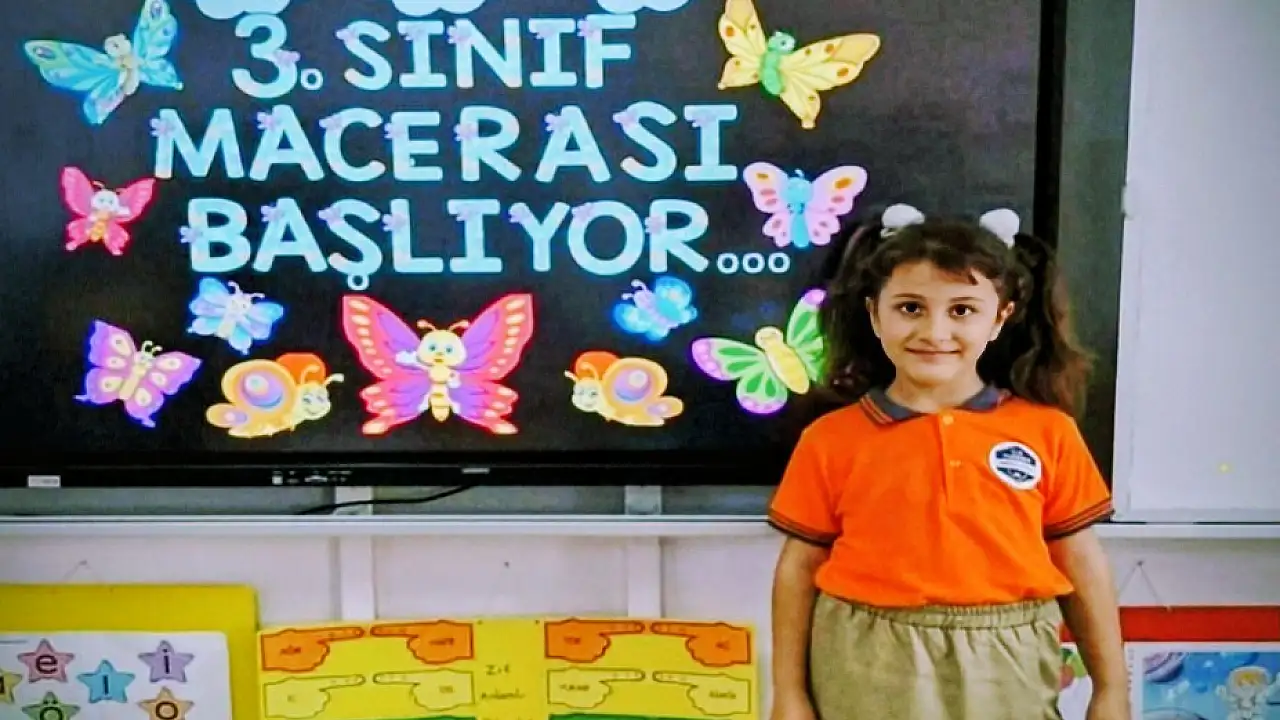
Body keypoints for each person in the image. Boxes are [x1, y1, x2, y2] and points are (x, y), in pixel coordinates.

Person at [767, 203, 1128, 720]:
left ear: (1000, 318)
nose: (934, 332)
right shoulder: (831, 438)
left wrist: (1111, 689)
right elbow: (798, 569)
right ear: (875, 313)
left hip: (1007, 659)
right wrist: (789, 693)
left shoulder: (1047, 432)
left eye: (961, 310)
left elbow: (1081, 561)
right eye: (910, 307)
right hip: (866, 656)